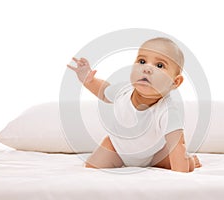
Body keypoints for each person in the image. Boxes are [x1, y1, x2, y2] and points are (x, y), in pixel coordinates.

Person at [67, 37, 202, 172]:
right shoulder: (124, 91)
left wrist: (182, 172)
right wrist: (88, 80)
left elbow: (177, 145)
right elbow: (103, 91)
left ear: (175, 82)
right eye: (142, 61)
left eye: (159, 65)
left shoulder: (167, 111)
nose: (147, 68)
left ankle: (191, 161)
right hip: (116, 147)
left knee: (178, 161)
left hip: (154, 155)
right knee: (91, 168)